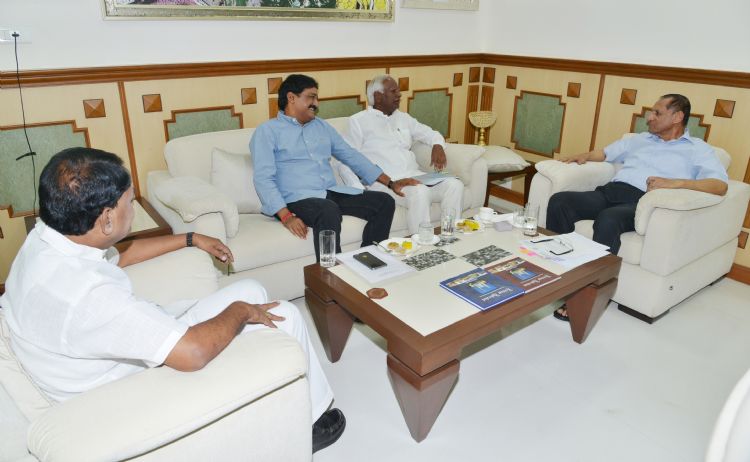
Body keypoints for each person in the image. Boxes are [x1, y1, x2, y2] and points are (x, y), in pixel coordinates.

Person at [0, 147, 345, 453]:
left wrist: (191, 238)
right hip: (121, 391)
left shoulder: (46, 240)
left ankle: (302, 406)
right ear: (106, 219)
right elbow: (192, 353)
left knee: (252, 289)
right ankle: (309, 426)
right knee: (285, 313)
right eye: (129, 201)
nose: (133, 207)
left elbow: (121, 255)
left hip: (106, 354)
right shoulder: (89, 296)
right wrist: (240, 313)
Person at [546, 94, 728, 321]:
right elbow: (605, 153)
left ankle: (589, 292)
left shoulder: (697, 149)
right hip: (610, 192)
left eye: (657, 113)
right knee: (561, 201)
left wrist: (676, 183)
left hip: (642, 203)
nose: (649, 117)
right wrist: (584, 156)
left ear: (677, 117)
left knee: (609, 219)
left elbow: (720, 186)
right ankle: (559, 274)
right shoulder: (639, 139)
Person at [251, 74, 417, 259]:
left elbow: (350, 155)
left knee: (384, 202)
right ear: (291, 98)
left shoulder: (321, 126)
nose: (316, 103)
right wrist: (285, 216)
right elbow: (263, 178)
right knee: (328, 210)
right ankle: (331, 271)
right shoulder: (267, 131)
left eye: (316, 98)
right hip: (295, 198)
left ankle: (368, 259)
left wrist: (390, 183)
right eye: (311, 97)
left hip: (328, 192)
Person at [346, 74, 464, 235]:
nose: (399, 95)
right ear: (378, 96)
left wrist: (437, 145)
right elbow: (347, 159)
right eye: (393, 91)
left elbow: (430, 133)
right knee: (420, 191)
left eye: (398, 91)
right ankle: (422, 242)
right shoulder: (358, 122)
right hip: (387, 183)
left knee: (455, 185)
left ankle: (451, 235)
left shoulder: (403, 118)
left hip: (416, 176)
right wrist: (360, 192)